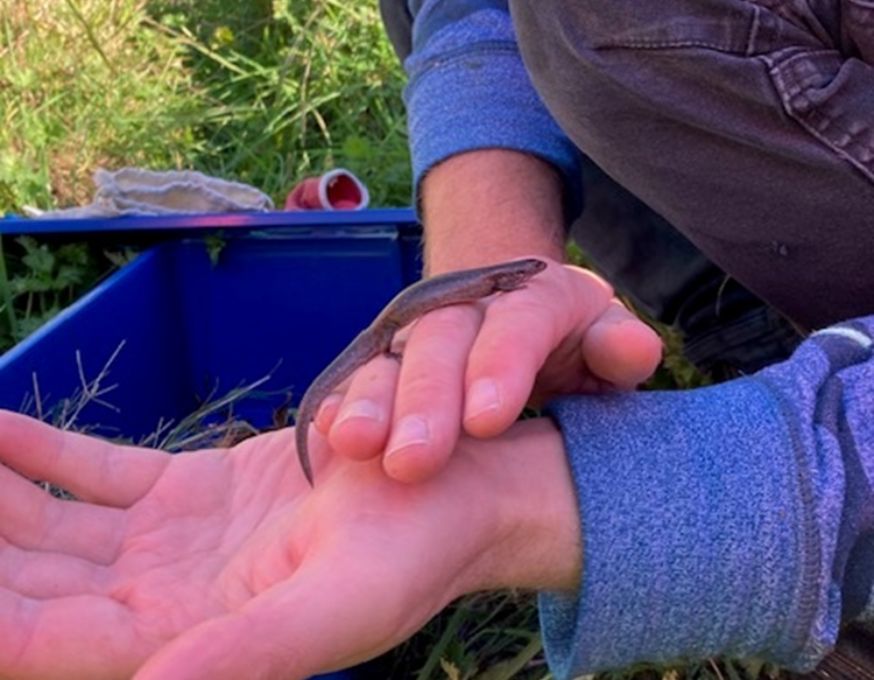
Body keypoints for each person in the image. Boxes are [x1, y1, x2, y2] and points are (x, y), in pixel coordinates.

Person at [0, 2, 872, 679]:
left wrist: (560, 496)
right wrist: (490, 238)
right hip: (416, 314)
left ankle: (802, 398)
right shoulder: (493, 281)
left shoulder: (505, 282)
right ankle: (754, 328)